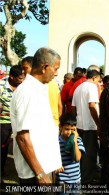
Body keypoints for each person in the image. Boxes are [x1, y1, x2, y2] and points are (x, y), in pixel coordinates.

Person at [10, 47, 62, 185]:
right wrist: (39, 173)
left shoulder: (39, 89)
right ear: (44, 67)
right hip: (35, 172)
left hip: (44, 167)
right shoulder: (27, 92)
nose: (56, 74)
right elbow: (22, 137)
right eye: (55, 69)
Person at [72, 69, 101, 184]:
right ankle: (86, 179)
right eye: (98, 80)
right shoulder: (92, 87)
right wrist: (98, 123)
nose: (98, 83)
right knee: (90, 153)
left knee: (81, 152)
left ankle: (81, 176)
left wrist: (76, 120)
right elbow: (92, 106)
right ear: (94, 78)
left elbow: (73, 107)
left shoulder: (78, 87)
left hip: (80, 124)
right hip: (90, 125)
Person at [0, 65, 25, 174]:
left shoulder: (23, 86)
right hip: (4, 123)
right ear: (11, 77)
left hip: (19, 122)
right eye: (20, 78)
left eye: (23, 77)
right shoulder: (1, 85)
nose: (22, 80)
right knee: (2, 148)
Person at [56, 113, 85, 189]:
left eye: (72, 130)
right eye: (66, 129)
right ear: (60, 127)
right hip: (62, 182)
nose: (69, 132)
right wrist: (56, 165)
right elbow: (52, 158)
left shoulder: (78, 140)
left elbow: (77, 158)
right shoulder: (56, 142)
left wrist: (74, 141)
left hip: (76, 181)